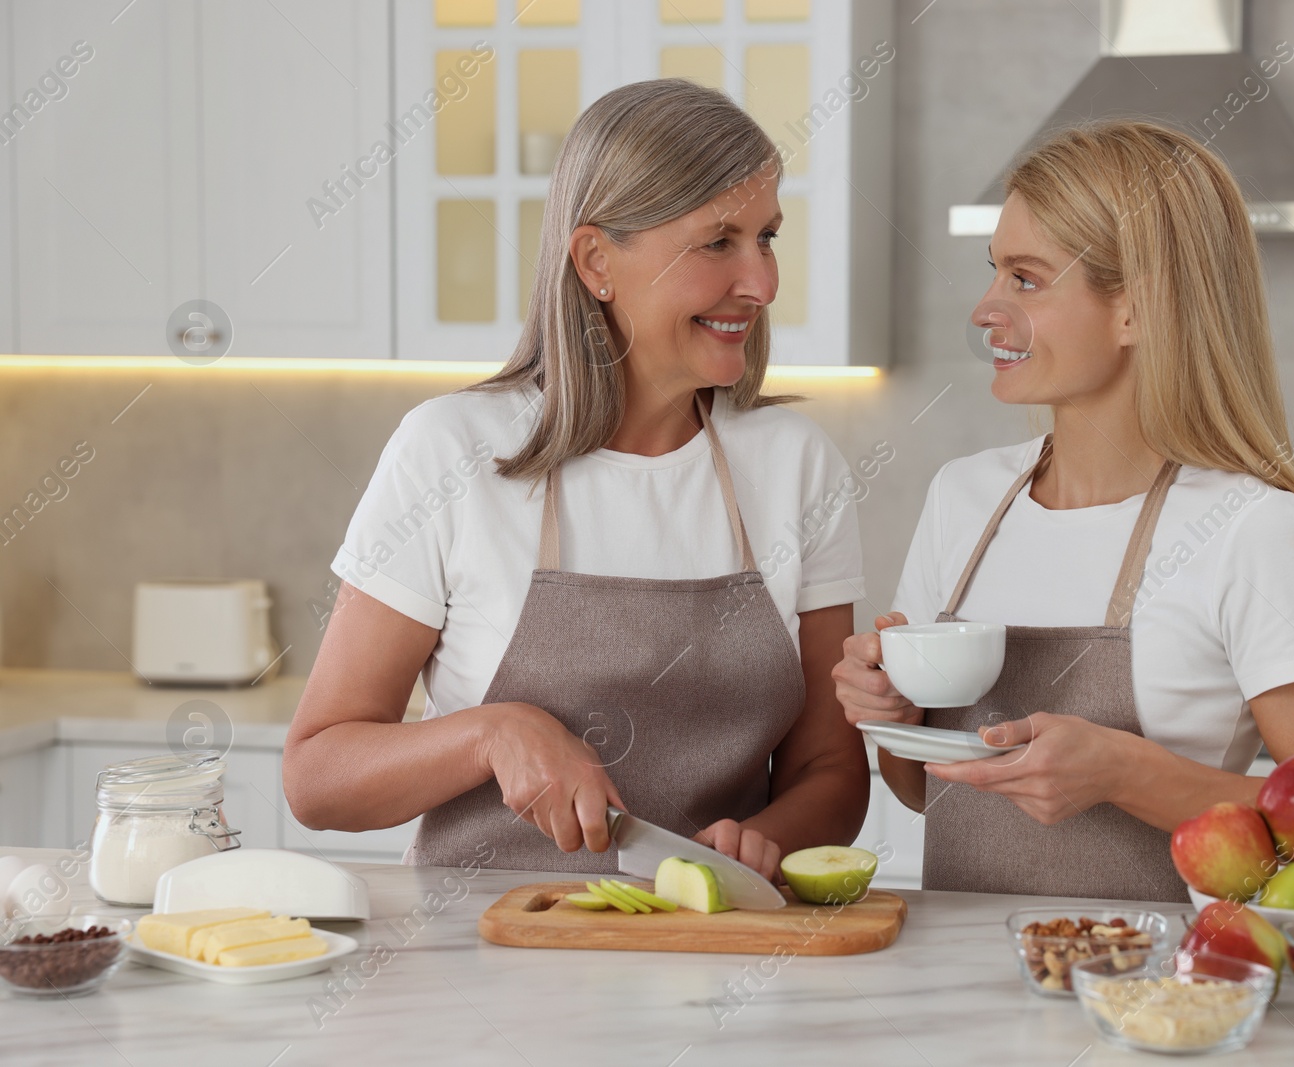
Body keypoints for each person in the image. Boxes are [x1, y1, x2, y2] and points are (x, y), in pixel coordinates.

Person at [284, 80, 869, 880]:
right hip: (483, 967)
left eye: (765, 238)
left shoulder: (796, 464)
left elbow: (829, 770)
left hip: (713, 958)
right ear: (597, 261)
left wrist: (761, 843)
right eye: (718, 242)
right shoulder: (452, 451)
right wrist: (492, 733)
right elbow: (317, 778)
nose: (761, 283)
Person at [834, 120, 1294, 900]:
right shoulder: (963, 498)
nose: (985, 309)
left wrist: (1128, 771)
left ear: (1137, 310)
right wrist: (893, 708)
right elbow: (926, 789)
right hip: (950, 996)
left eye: (1025, 279)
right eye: (993, 272)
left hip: (1157, 1001)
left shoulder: (1253, 532)